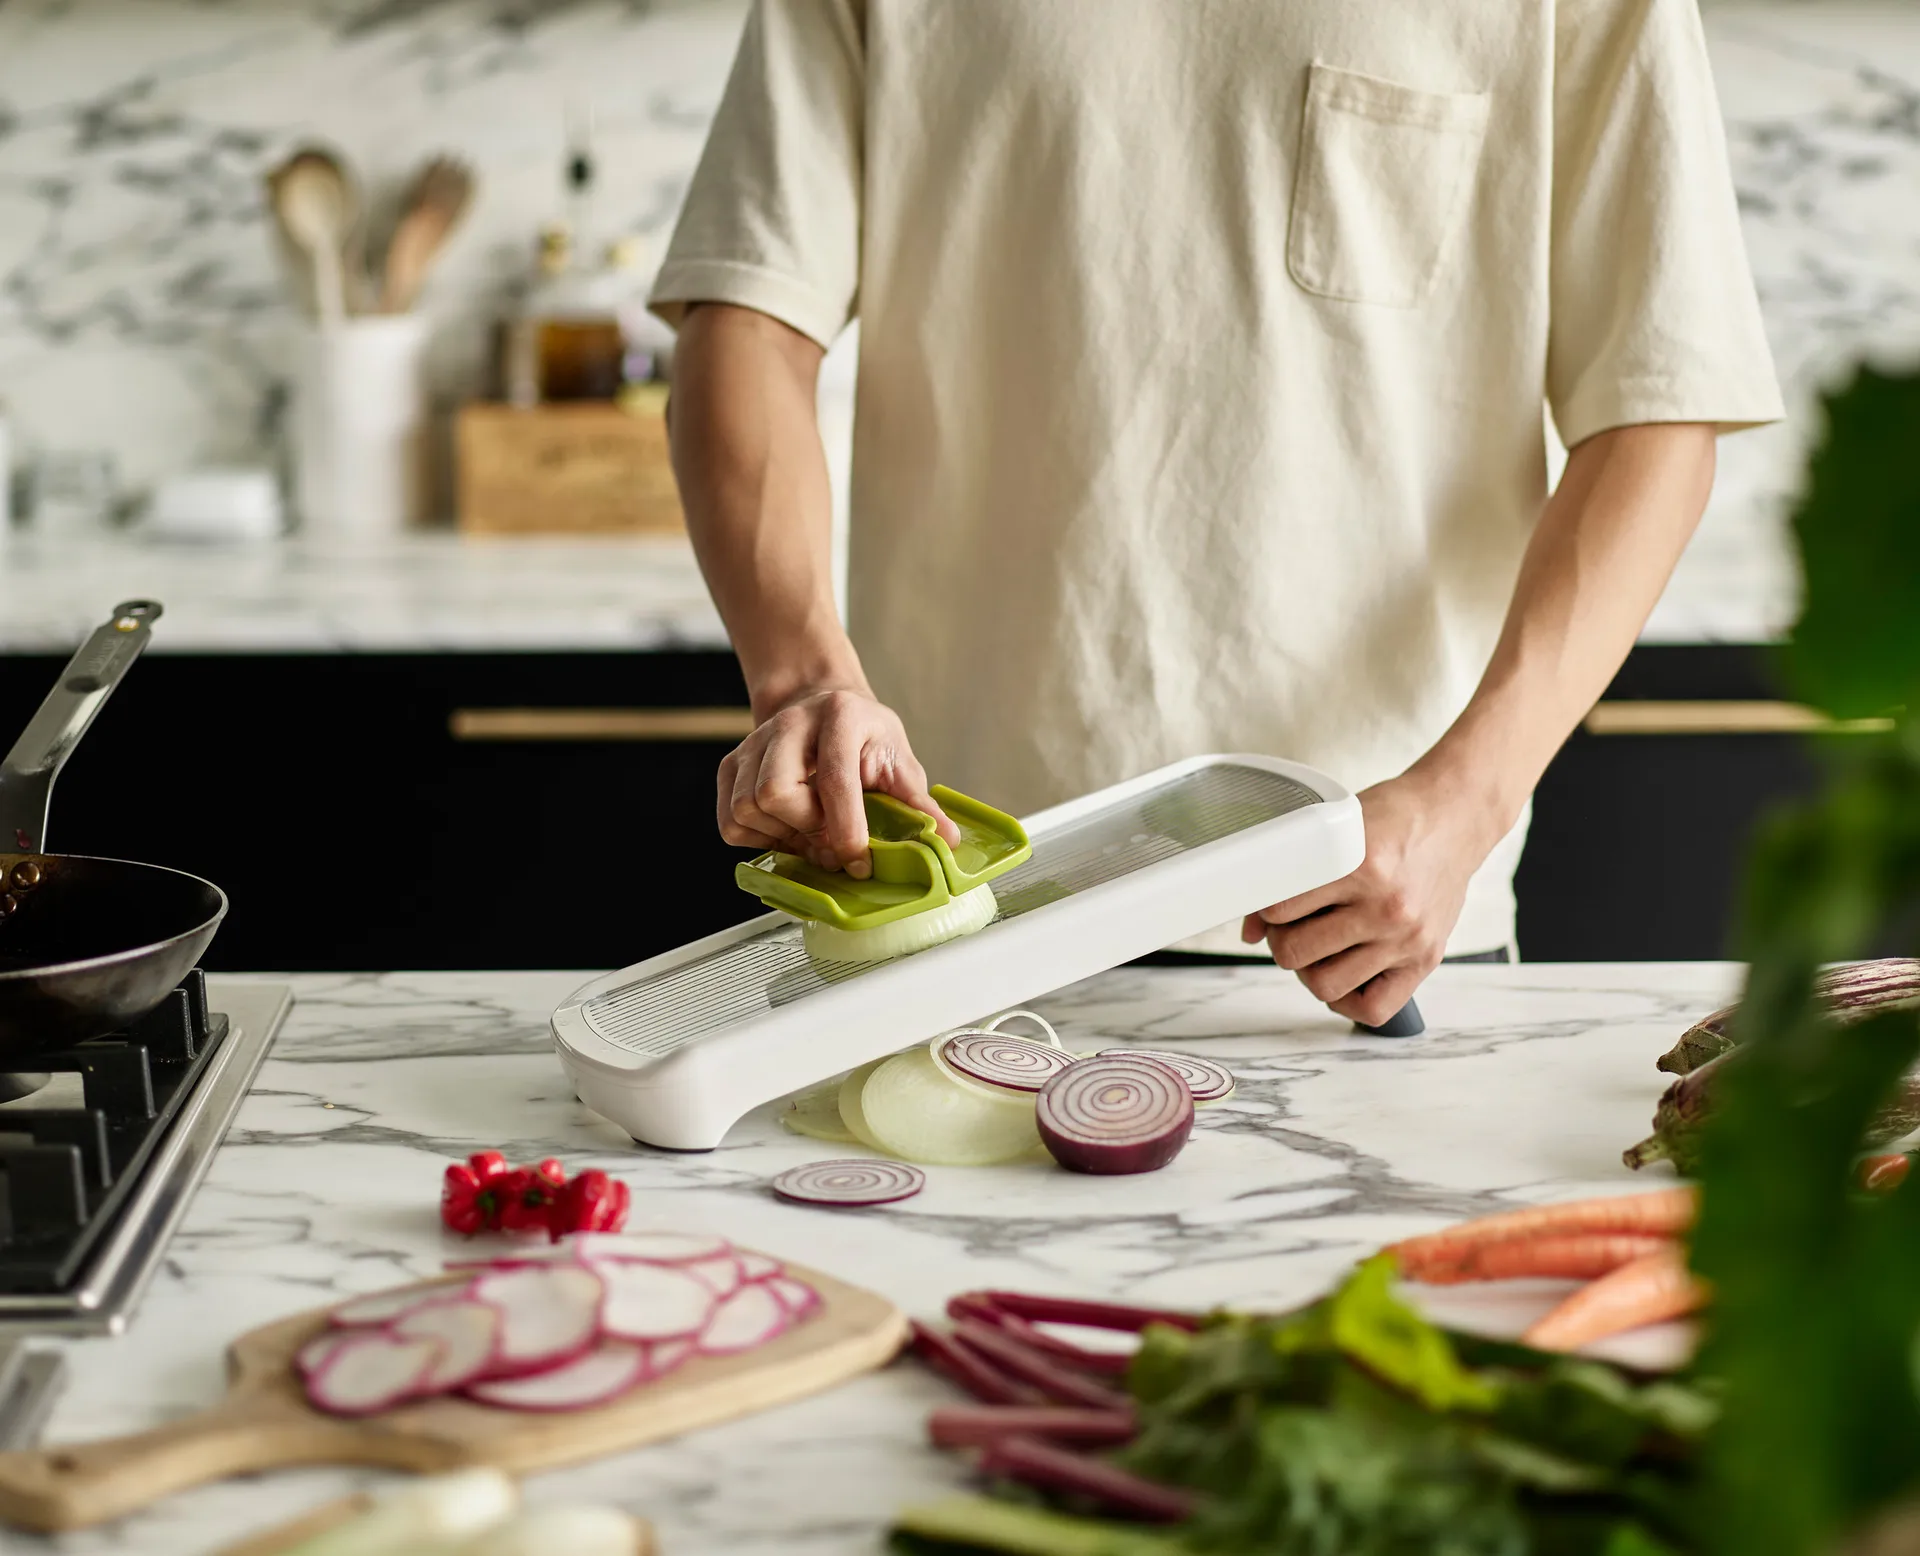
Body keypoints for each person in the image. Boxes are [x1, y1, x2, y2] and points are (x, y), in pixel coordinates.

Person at [648, 0, 1782, 1026]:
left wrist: (1465, 801)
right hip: (948, 900)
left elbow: (1658, 414)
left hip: (1376, 929)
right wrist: (806, 683)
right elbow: (748, 314)